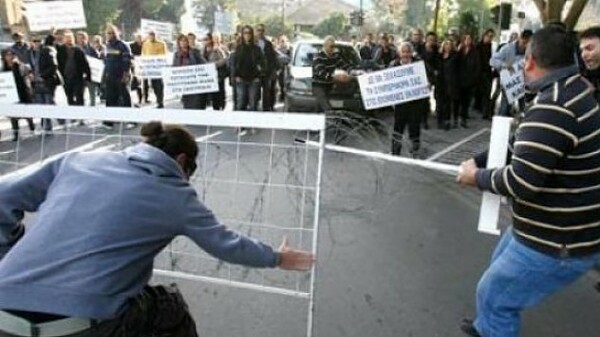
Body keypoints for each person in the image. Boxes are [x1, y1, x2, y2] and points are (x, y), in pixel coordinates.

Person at [0, 121, 315, 337]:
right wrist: (276, 257)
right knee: (169, 307)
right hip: (83, 321)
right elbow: (226, 243)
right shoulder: (176, 194)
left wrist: (9, 248)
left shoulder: (80, 160)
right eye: (189, 173)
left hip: (4, 306)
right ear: (181, 161)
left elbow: (4, 194)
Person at [457, 26, 600, 337]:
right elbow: (523, 143)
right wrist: (480, 160)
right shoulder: (572, 87)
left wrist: (476, 177)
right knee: (495, 274)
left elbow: (522, 181)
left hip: (558, 239)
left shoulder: (553, 106)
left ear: (530, 60)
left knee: (494, 296)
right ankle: (487, 327)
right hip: (546, 226)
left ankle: (493, 323)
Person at [389, 42, 428, 157]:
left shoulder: (418, 65)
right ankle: (395, 151)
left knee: (414, 128)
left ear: (411, 53)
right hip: (400, 103)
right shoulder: (394, 65)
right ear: (399, 53)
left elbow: (429, 77)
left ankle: (415, 151)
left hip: (415, 104)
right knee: (398, 128)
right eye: (403, 51)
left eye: (407, 51)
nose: (405, 54)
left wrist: (428, 84)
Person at [490, 29, 533, 117]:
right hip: (509, 84)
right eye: (524, 43)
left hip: (524, 84)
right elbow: (492, 61)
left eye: (528, 44)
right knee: (504, 107)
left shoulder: (530, 51)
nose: (525, 46)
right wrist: (504, 65)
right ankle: (501, 125)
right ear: (520, 38)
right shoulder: (507, 48)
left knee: (525, 108)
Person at [30, 35, 63, 133]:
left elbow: (54, 65)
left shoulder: (47, 50)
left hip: (47, 81)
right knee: (42, 104)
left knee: (48, 103)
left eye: (38, 41)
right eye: (34, 41)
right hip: (36, 82)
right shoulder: (30, 52)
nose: (36, 43)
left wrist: (42, 75)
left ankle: (48, 126)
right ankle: (51, 123)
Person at [311, 35, 354, 113]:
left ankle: (317, 121)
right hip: (318, 87)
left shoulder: (335, 56)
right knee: (328, 109)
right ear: (325, 45)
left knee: (319, 108)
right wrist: (336, 77)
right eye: (331, 46)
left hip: (329, 87)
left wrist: (354, 72)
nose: (333, 48)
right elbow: (322, 73)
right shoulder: (318, 57)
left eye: (334, 46)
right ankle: (332, 122)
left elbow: (345, 66)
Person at [1, 49, 35, 142]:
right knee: (13, 115)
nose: (9, 57)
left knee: (26, 112)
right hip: (11, 93)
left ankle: (31, 126)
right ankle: (16, 134)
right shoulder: (3, 68)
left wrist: (17, 65)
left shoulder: (20, 65)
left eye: (11, 54)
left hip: (22, 92)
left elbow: (25, 73)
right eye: (7, 55)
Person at [103, 25, 133, 128]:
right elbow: (107, 61)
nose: (109, 35)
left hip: (121, 76)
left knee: (125, 99)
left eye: (111, 33)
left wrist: (125, 75)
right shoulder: (107, 46)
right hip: (110, 76)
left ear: (116, 33)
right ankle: (109, 122)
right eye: (107, 33)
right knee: (110, 98)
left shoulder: (122, 45)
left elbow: (127, 61)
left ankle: (131, 120)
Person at [234, 25, 265, 114]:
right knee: (240, 103)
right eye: (245, 33)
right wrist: (236, 76)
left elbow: (263, 64)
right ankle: (240, 126)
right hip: (241, 80)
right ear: (242, 35)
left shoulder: (256, 49)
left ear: (252, 34)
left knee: (253, 104)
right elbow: (235, 64)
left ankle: (252, 126)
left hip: (254, 80)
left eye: (249, 33)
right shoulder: (239, 48)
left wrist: (259, 74)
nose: (247, 35)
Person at [173, 34, 207, 110]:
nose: (183, 43)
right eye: (181, 41)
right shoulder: (176, 54)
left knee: (197, 104)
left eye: (185, 40)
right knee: (187, 105)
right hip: (185, 85)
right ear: (178, 43)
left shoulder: (195, 52)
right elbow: (174, 68)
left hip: (196, 83)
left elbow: (204, 64)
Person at [59, 30, 91, 107]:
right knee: (69, 97)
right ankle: (73, 114)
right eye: (66, 38)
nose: (69, 40)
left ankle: (80, 115)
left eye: (70, 38)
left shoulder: (78, 50)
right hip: (66, 78)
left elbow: (85, 64)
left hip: (78, 78)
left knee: (79, 97)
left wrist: (88, 76)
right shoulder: (60, 50)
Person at [457, 34, 480, 128]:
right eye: (466, 39)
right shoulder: (460, 51)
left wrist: (474, 78)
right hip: (459, 80)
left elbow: (477, 66)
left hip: (469, 81)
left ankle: (463, 119)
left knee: (466, 101)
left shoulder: (475, 52)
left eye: (469, 39)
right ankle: (456, 117)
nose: (468, 41)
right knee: (459, 100)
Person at [255, 24, 279, 111]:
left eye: (262, 30)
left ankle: (267, 109)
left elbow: (273, 58)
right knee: (255, 93)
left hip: (266, 72)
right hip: (254, 72)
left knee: (267, 92)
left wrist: (273, 70)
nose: (260, 32)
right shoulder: (252, 42)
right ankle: (255, 108)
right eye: (258, 30)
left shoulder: (268, 44)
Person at [437, 40, 460, 130]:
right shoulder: (439, 56)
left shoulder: (455, 56)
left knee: (447, 103)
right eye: (446, 44)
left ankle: (446, 121)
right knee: (439, 103)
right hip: (440, 82)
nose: (447, 46)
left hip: (450, 83)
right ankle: (439, 121)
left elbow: (458, 69)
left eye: (450, 45)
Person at [203, 32, 228, 110]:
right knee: (214, 92)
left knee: (221, 90)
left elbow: (225, 60)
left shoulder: (223, 48)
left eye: (217, 38)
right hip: (210, 74)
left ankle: (222, 105)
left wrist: (214, 65)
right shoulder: (207, 48)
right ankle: (215, 107)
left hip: (219, 73)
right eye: (214, 38)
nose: (216, 39)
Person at [142, 31, 167, 109]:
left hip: (158, 68)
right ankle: (158, 100)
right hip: (150, 68)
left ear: (156, 35)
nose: (152, 37)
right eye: (150, 35)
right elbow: (143, 54)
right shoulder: (145, 44)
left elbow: (164, 55)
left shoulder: (161, 44)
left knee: (159, 85)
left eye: (153, 35)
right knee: (153, 85)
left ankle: (160, 102)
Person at [76, 31, 101, 107]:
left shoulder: (91, 49)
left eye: (82, 38)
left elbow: (98, 60)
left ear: (86, 39)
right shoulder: (75, 49)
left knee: (92, 94)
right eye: (79, 38)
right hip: (79, 75)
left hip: (90, 75)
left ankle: (92, 111)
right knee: (79, 95)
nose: (80, 40)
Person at [476, 29, 495, 120]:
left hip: (487, 72)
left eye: (492, 36)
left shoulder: (491, 46)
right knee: (482, 93)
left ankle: (486, 113)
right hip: (480, 72)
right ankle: (482, 110)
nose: (490, 38)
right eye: (489, 36)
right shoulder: (479, 46)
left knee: (487, 94)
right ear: (485, 35)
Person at [579, 26, 600, 103]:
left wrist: (594, 94)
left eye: (589, 48)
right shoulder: (585, 76)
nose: (583, 55)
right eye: (581, 50)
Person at [129, 33, 144, 106]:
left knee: (139, 84)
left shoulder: (145, 45)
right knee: (135, 83)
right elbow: (130, 54)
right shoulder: (131, 45)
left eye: (140, 38)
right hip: (134, 66)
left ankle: (140, 100)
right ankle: (135, 100)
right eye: (137, 38)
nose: (139, 39)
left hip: (142, 66)